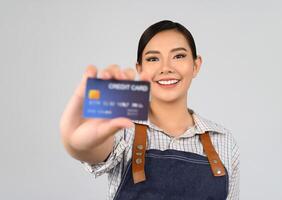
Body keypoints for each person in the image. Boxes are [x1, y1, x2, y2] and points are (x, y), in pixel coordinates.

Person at [60, 20, 240, 200]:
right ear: (140, 68)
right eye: (153, 59)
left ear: (196, 65)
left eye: (178, 56)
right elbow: (93, 148)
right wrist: (76, 144)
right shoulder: (122, 129)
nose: (166, 68)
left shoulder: (223, 140)